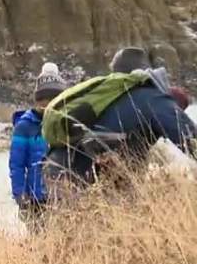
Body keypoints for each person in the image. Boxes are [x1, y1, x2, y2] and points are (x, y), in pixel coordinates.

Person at [45, 46, 196, 191]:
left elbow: (128, 158)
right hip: (77, 182)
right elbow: (190, 139)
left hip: (56, 174)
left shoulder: (108, 98)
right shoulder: (154, 99)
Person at [9, 63, 67, 227]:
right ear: (38, 100)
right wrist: (20, 195)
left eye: (53, 99)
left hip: (62, 196)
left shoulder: (65, 123)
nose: (47, 104)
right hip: (35, 199)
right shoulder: (24, 126)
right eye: (44, 99)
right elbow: (17, 164)